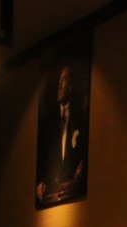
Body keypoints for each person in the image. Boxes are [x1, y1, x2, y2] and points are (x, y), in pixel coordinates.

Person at [36, 64, 88, 205]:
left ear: (71, 85)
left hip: (71, 188)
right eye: (58, 81)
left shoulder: (80, 117)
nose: (59, 86)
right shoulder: (49, 121)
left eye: (64, 80)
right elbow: (42, 156)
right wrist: (41, 181)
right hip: (52, 190)